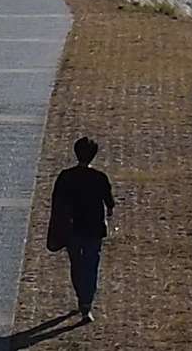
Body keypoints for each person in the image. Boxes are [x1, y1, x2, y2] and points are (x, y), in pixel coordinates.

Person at [50, 136, 117, 322]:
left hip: (72, 229)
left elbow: (56, 202)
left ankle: (81, 295)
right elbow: (109, 202)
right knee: (91, 264)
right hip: (93, 229)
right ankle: (86, 303)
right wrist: (109, 213)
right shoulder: (99, 177)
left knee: (76, 264)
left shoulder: (65, 176)